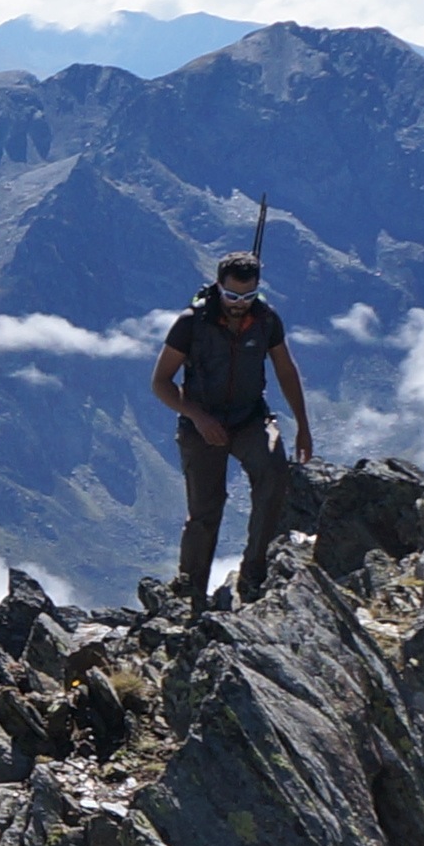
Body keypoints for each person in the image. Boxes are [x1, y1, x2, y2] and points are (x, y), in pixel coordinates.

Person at [148, 249, 313, 607]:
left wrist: (303, 426)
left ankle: (254, 575)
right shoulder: (191, 323)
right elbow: (161, 382)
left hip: (250, 418)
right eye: (232, 295)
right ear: (218, 285)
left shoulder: (266, 320)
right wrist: (197, 416)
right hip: (201, 423)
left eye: (248, 296)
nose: (239, 303)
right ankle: (190, 594)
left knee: (273, 475)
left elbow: (286, 370)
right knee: (205, 510)